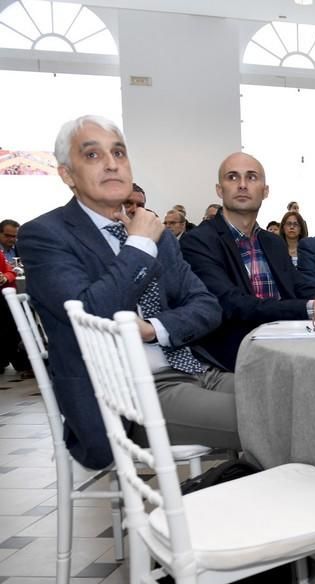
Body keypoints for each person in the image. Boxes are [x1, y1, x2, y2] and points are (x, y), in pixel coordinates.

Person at [17, 115, 241, 469]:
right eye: (92, 155)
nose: (111, 164)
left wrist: (153, 328)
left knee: (295, 399)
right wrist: (138, 243)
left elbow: (207, 306)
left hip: (195, 368)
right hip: (125, 396)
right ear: (66, 174)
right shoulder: (45, 235)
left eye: (119, 153)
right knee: (271, 416)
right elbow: (91, 312)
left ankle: (258, 497)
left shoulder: (158, 234)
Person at [180, 152, 315, 372]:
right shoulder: (198, 242)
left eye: (252, 177)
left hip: (288, 342)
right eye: (233, 177)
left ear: (265, 192)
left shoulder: (273, 242)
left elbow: (300, 286)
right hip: (237, 353)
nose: (243, 185)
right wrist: (312, 308)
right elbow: (232, 304)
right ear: (220, 190)